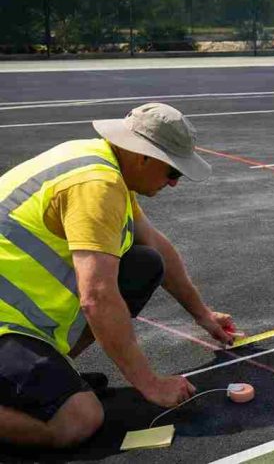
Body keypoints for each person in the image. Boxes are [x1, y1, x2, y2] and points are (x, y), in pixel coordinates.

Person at [0, 103, 241, 450]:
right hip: (6, 325)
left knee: (144, 264)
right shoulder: (96, 185)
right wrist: (150, 383)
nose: (174, 183)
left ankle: (45, 376)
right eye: (172, 171)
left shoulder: (105, 164)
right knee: (78, 421)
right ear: (143, 156)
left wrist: (203, 315)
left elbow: (156, 246)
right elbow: (96, 297)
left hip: (19, 321)